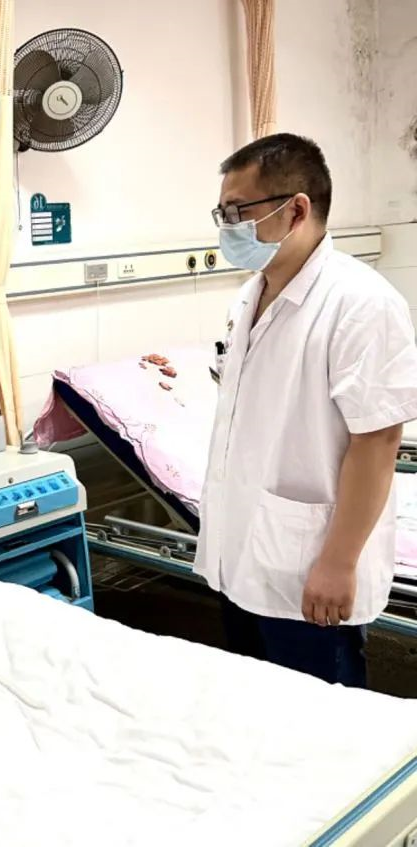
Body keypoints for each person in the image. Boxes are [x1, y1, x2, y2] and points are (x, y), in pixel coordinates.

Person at [196, 134, 417, 687]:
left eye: (237, 212)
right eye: (222, 214)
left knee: (324, 721)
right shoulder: (250, 294)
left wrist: (338, 563)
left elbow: (377, 441)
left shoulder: (361, 304)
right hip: (240, 556)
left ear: (296, 210)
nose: (227, 228)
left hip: (308, 569)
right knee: (256, 704)